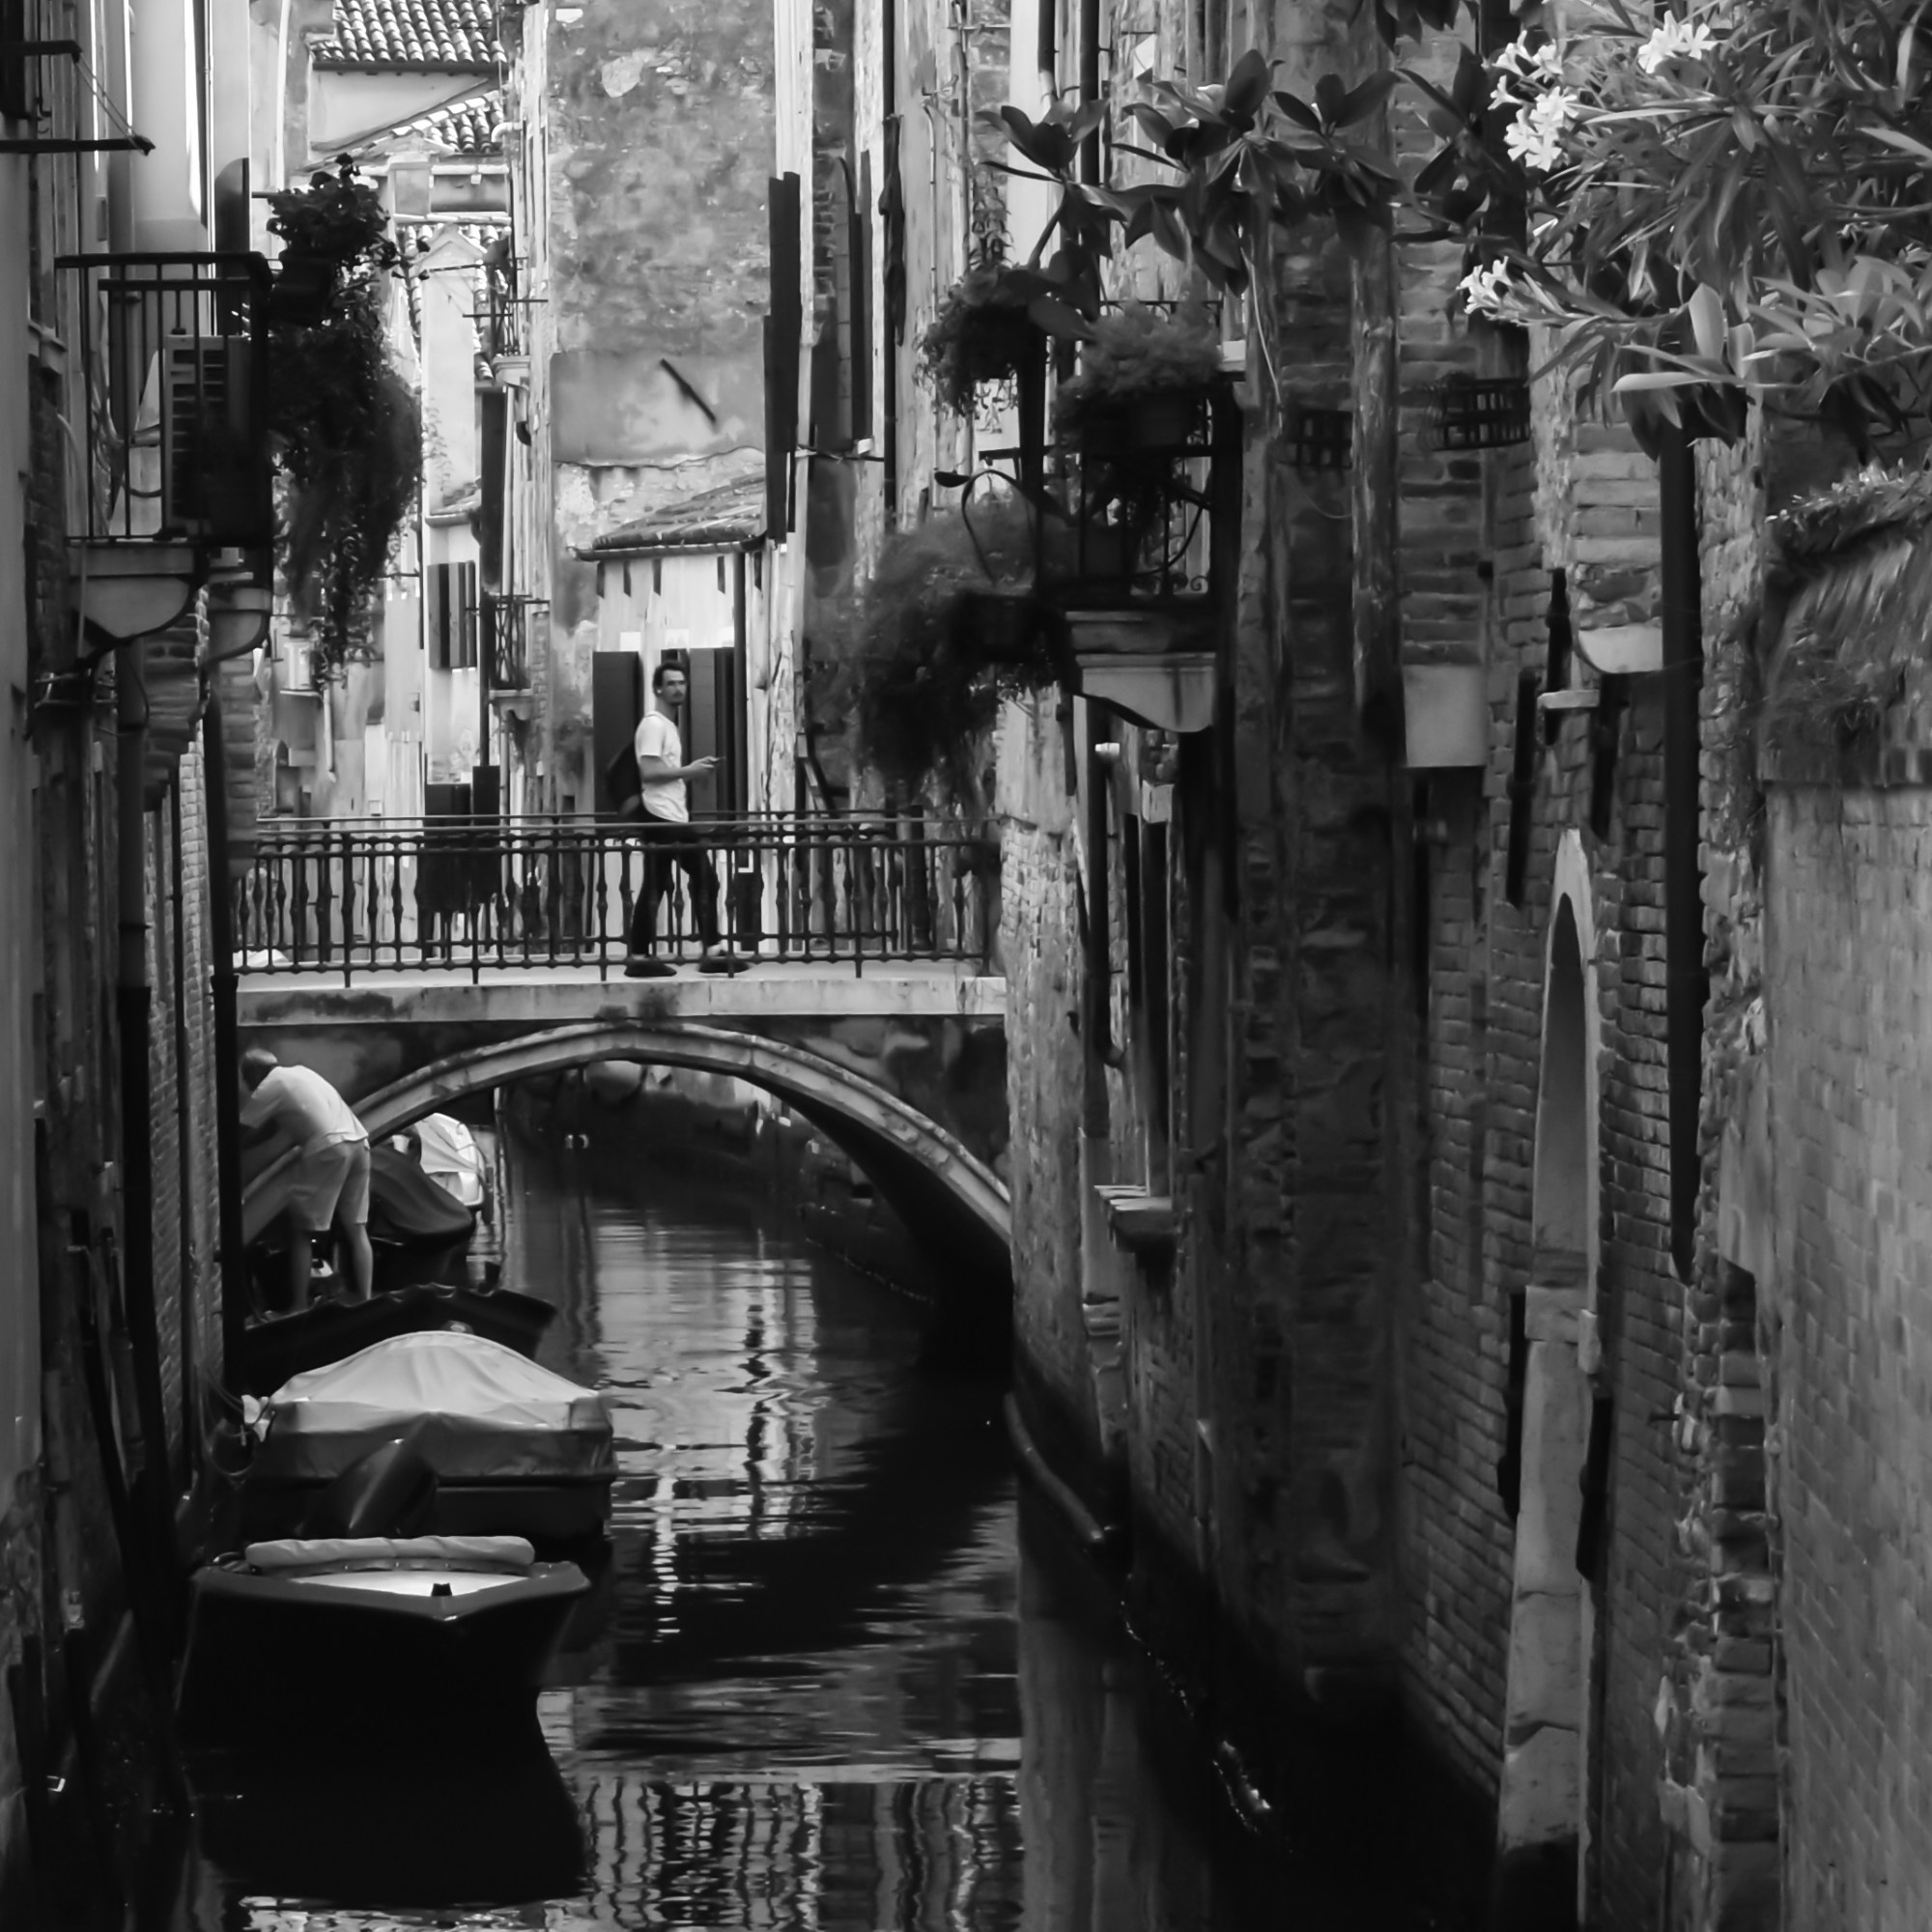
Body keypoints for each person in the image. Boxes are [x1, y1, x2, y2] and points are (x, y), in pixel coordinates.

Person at [624, 660, 748, 978]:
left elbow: (661, 770)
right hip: (661, 816)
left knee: (667, 883)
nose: (678, 688)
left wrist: (692, 771)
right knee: (694, 879)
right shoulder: (653, 725)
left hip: (672, 816)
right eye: (671, 683)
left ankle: (694, 952)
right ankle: (705, 952)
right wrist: (689, 771)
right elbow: (648, 772)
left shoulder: (667, 726)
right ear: (657, 689)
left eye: (681, 683)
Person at [239, 1047, 375, 1310]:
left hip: (330, 1149)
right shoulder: (301, 1072)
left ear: (254, 1074)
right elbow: (276, 1126)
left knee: (301, 1232)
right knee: (356, 1228)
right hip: (360, 1142)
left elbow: (241, 1131)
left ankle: (299, 1307)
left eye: (246, 1079)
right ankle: (366, 1302)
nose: (248, 1087)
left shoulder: (269, 1086)